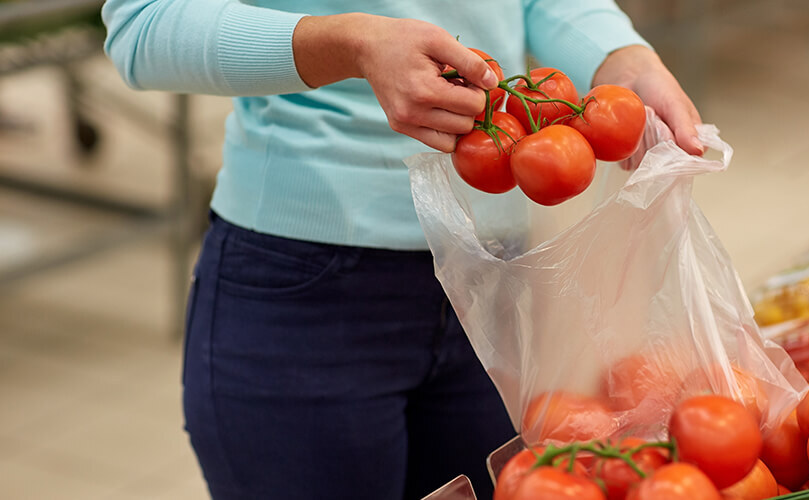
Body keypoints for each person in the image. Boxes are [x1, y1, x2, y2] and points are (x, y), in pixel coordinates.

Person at [101, 1, 703, 499]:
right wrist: (351, 43)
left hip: (489, 286)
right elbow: (142, 25)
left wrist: (619, 56)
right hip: (303, 288)